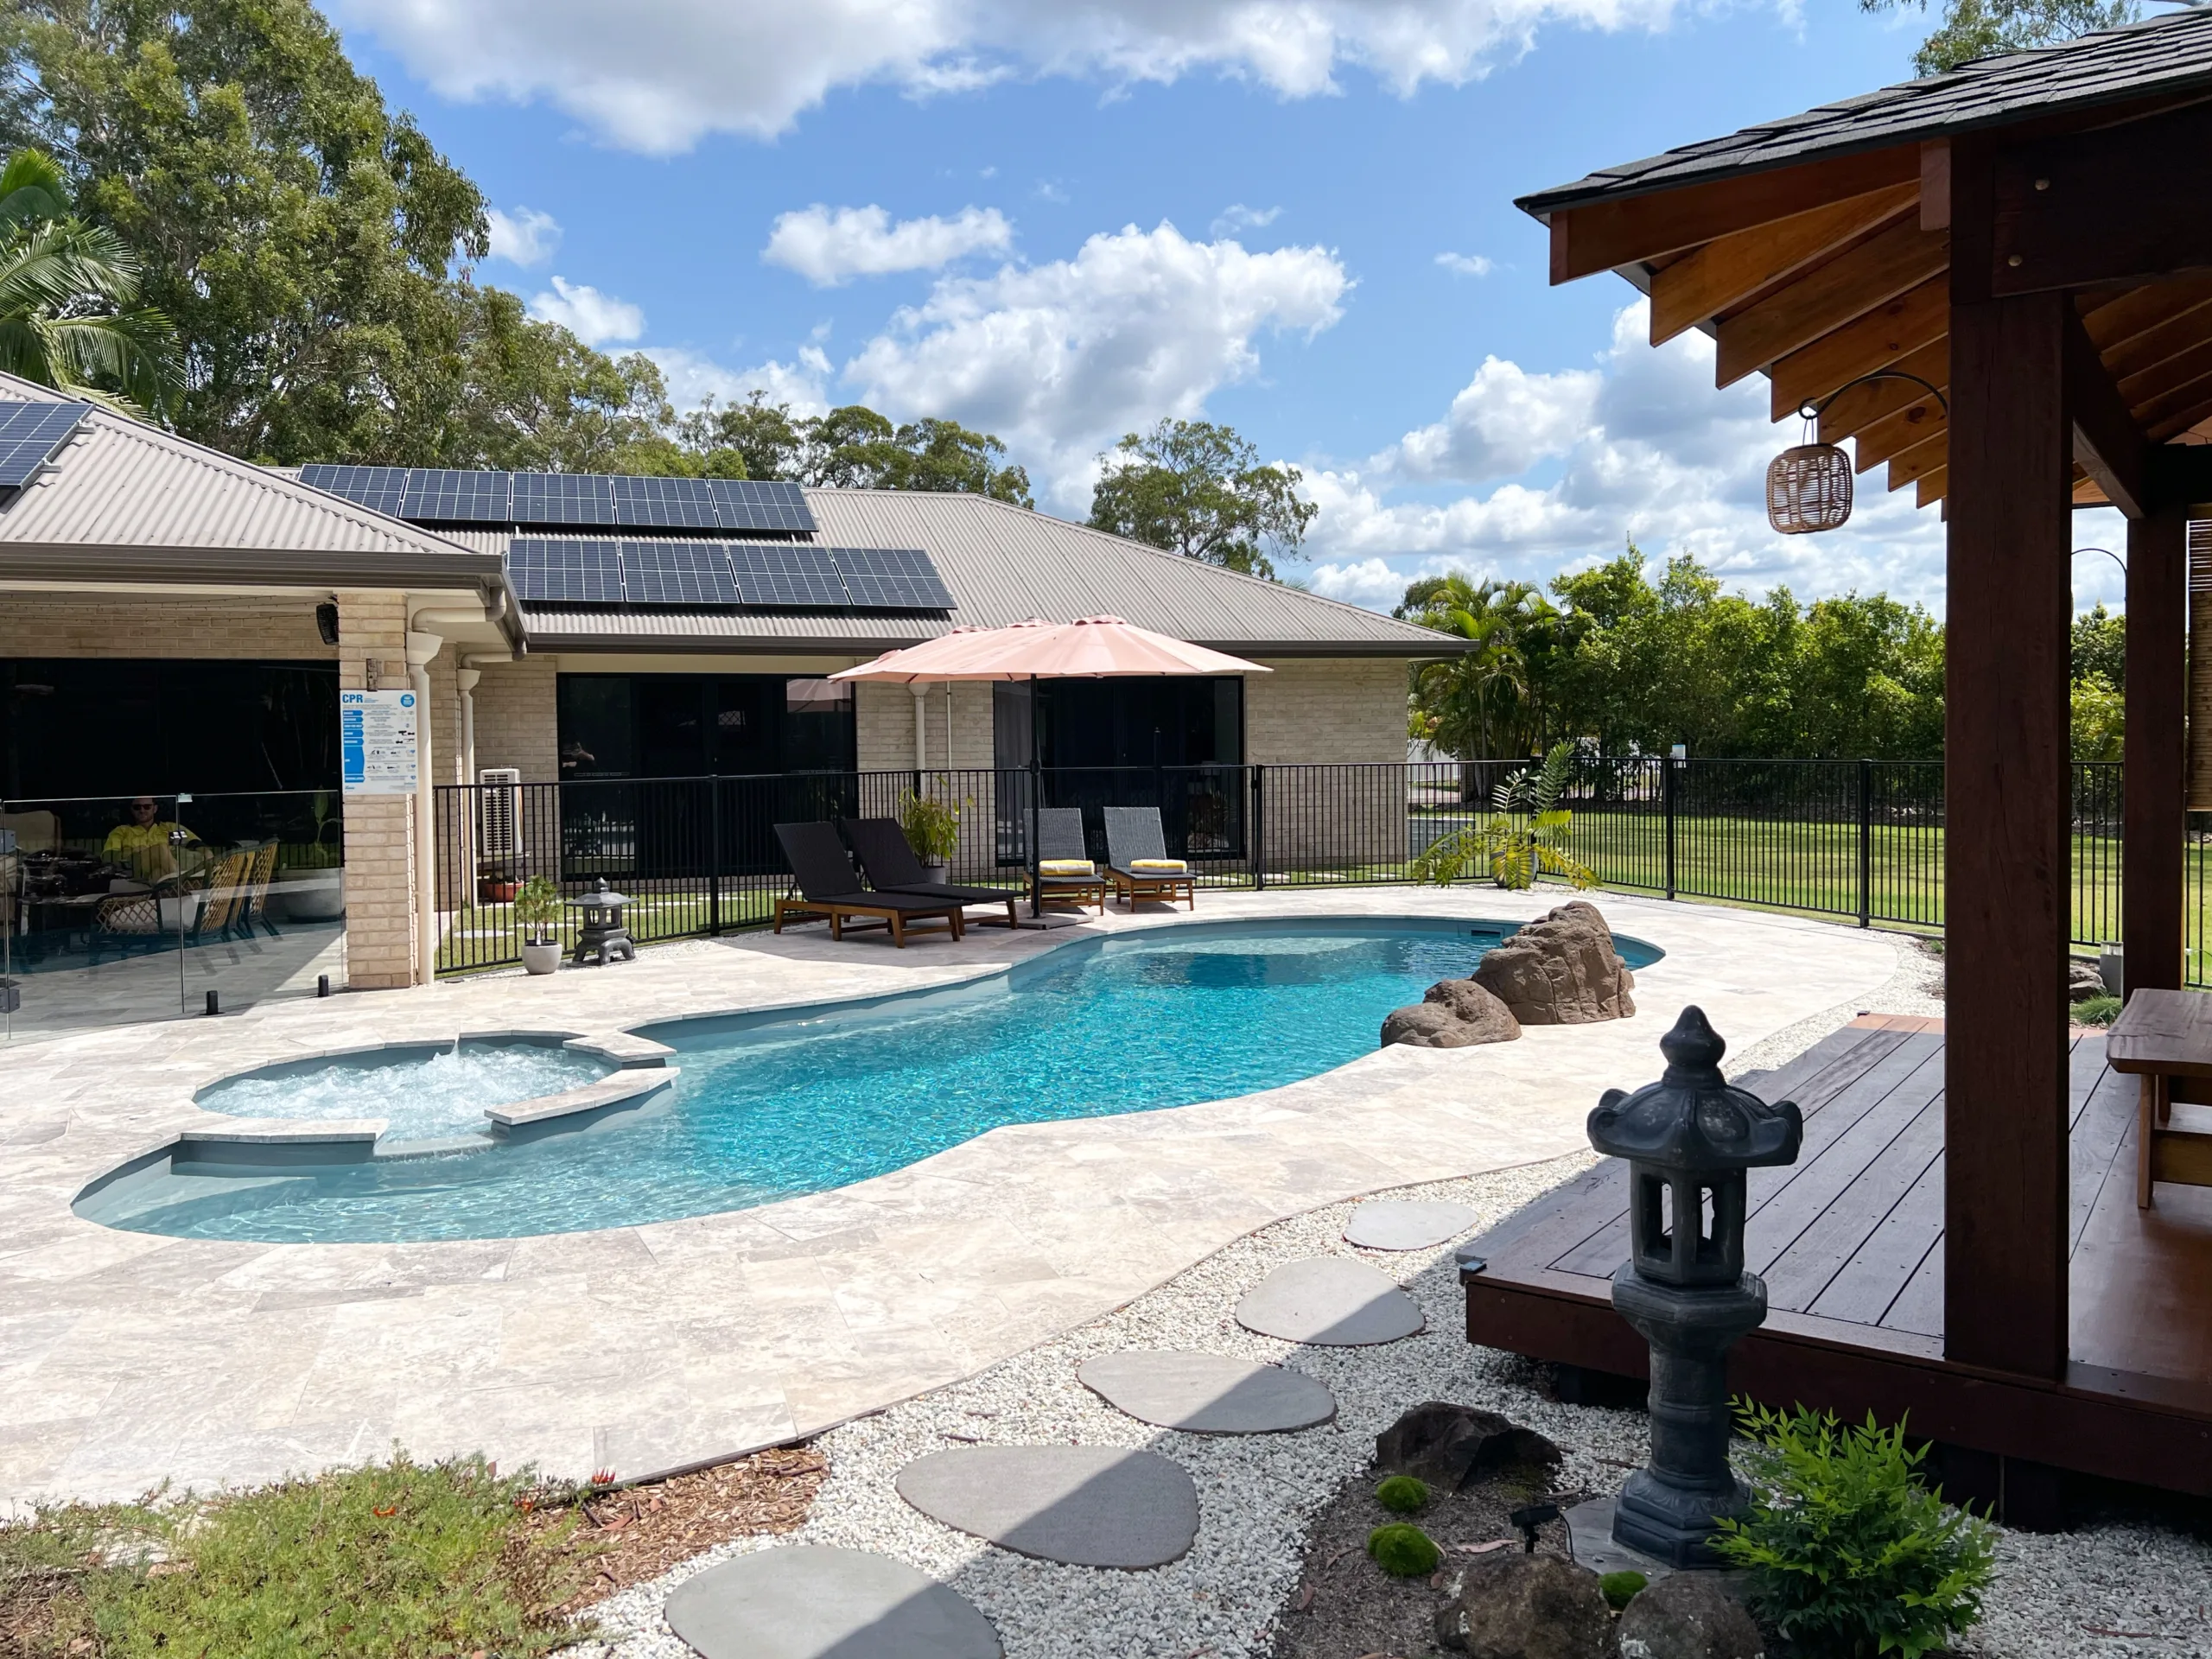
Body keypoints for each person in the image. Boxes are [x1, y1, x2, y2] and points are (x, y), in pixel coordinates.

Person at [102, 797, 198, 880]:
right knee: (160, 849)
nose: (142, 810)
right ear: (132, 810)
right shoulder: (122, 831)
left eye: (147, 807)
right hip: (135, 869)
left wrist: (205, 851)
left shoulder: (168, 829)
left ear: (155, 809)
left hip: (160, 870)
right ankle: (180, 889)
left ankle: (165, 894)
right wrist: (133, 851)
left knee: (158, 873)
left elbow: (193, 843)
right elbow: (107, 856)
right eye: (137, 807)